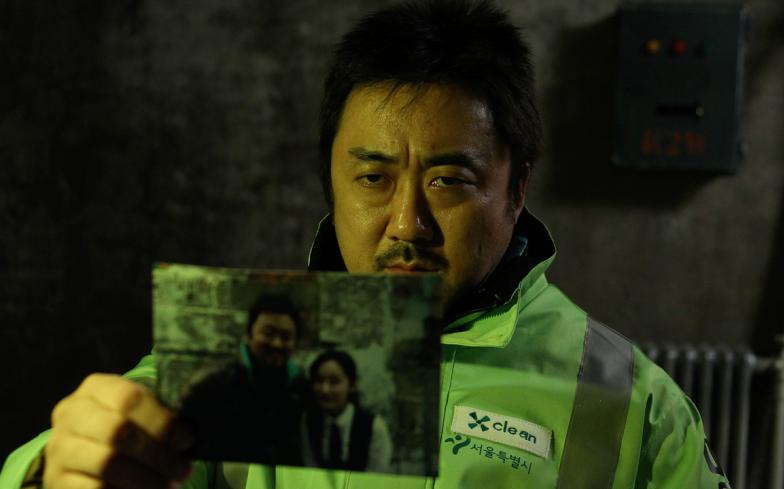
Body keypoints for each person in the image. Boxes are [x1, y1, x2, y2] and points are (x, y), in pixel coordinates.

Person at [0, 1, 732, 488]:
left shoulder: (634, 403)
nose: (407, 224)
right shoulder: (254, 349)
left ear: (516, 189)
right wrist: (57, 468)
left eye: (448, 181)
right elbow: (91, 450)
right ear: (332, 181)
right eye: (374, 178)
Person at [176, 294, 308, 465]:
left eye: (286, 337)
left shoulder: (301, 389)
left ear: (295, 343)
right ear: (249, 335)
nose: (277, 343)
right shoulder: (212, 383)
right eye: (268, 333)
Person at [301, 350, 392, 473]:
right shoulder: (309, 421)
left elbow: (376, 475)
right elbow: (311, 469)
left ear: (352, 385)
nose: (325, 389)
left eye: (334, 381)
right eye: (319, 380)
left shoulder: (374, 427)